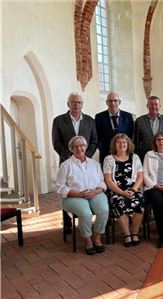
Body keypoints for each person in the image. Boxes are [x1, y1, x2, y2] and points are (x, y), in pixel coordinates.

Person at [52, 92, 98, 233]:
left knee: (85, 186)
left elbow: (94, 140)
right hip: (67, 161)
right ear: (68, 104)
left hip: (85, 161)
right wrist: (71, 157)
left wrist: (85, 156)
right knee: (67, 189)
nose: (76, 104)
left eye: (79, 102)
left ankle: (87, 213)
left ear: (82, 104)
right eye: (73, 102)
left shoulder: (90, 120)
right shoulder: (59, 120)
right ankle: (67, 223)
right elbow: (56, 143)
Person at [55, 136, 108, 255]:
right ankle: (87, 241)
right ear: (71, 149)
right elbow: (59, 187)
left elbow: (102, 181)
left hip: (94, 193)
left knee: (103, 210)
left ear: (86, 147)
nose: (79, 148)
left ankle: (97, 237)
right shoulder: (65, 165)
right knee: (85, 213)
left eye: (82, 145)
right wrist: (78, 194)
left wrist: (97, 191)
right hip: (73, 196)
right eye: (76, 146)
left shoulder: (94, 163)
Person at [103, 134, 144, 247]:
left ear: (128, 144)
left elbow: (140, 176)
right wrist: (121, 192)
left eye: (124, 142)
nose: (122, 145)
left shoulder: (135, 157)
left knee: (139, 202)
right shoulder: (109, 159)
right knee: (120, 203)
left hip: (132, 189)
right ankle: (126, 234)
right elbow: (108, 180)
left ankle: (134, 233)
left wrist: (134, 189)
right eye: (119, 142)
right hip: (116, 190)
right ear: (114, 145)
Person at [95, 91, 134, 164]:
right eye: (110, 101)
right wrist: (102, 148)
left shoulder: (128, 117)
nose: (113, 103)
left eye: (115, 101)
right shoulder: (99, 117)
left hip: (124, 154)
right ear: (106, 102)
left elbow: (131, 135)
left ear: (119, 102)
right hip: (106, 153)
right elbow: (97, 136)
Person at [134, 96, 163, 161]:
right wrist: (137, 158)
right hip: (145, 156)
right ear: (147, 106)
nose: (154, 106)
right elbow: (136, 142)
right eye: (151, 104)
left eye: (156, 104)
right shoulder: (139, 121)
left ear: (159, 106)